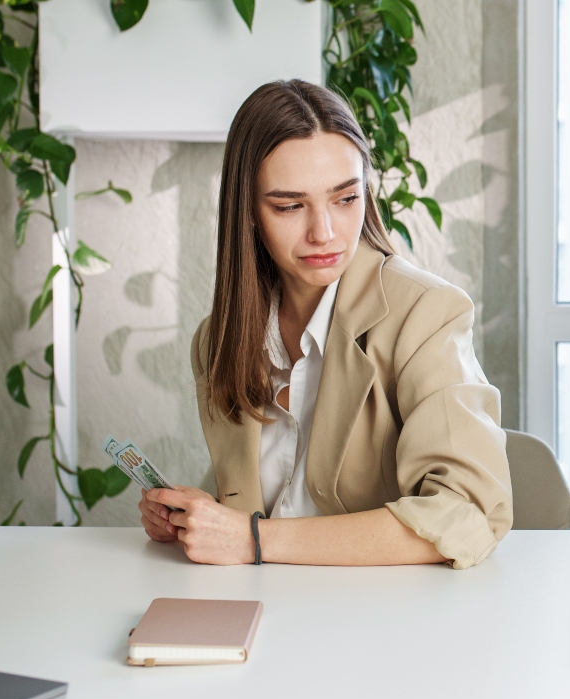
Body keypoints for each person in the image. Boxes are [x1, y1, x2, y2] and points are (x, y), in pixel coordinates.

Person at [137, 80, 512, 569]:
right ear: (247, 212)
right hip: (260, 607)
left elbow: (467, 514)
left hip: (376, 617)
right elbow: (254, 496)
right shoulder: (218, 339)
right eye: (290, 206)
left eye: (345, 198)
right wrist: (195, 519)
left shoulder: (425, 313)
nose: (325, 232)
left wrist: (253, 540)